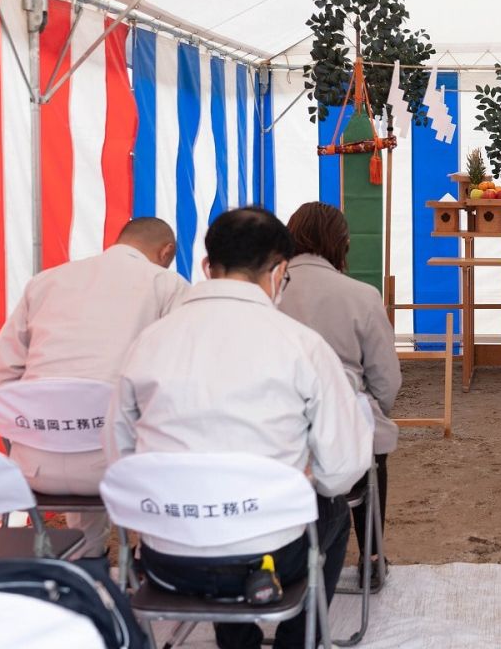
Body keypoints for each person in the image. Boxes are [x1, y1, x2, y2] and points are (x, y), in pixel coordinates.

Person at [105, 207, 373, 649]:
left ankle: (238, 641)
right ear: (279, 270)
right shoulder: (301, 345)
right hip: (268, 563)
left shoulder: (150, 341)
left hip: (167, 560)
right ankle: (296, 640)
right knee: (334, 511)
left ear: (209, 267)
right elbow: (341, 469)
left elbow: (118, 455)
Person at [0, 217, 186, 558]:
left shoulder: (46, 281)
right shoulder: (166, 284)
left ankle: (86, 558)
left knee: (88, 414)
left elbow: (4, 366)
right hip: (118, 470)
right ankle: (147, 563)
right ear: (166, 251)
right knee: (141, 421)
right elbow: (180, 373)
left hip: (33, 468)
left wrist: (39, 414)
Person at [278, 201, 401, 592]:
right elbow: (386, 381)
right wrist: (373, 409)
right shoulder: (361, 295)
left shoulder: (268, 292)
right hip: (341, 438)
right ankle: (371, 557)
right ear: (342, 244)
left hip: (274, 434)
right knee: (371, 440)